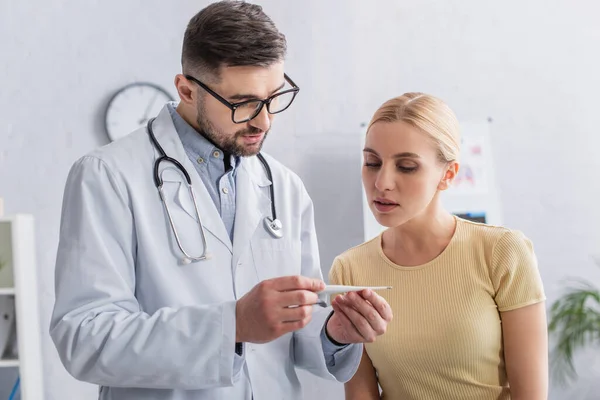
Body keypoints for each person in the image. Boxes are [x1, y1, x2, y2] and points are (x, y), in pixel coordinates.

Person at [49, 2, 393, 399]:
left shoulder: (283, 186)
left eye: (274, 97)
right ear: (186, 89)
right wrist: (231, 325)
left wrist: (334, 332)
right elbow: (85, 338)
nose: (264, 120)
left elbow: (299, 327)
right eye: (244, 102)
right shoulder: (107, 176)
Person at [329, 93, 548, 400]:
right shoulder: (350, 269)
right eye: (372, 162)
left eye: (406, 166)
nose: (382, 182)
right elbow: (360, 392)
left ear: (448, 174)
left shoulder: (502, 252)